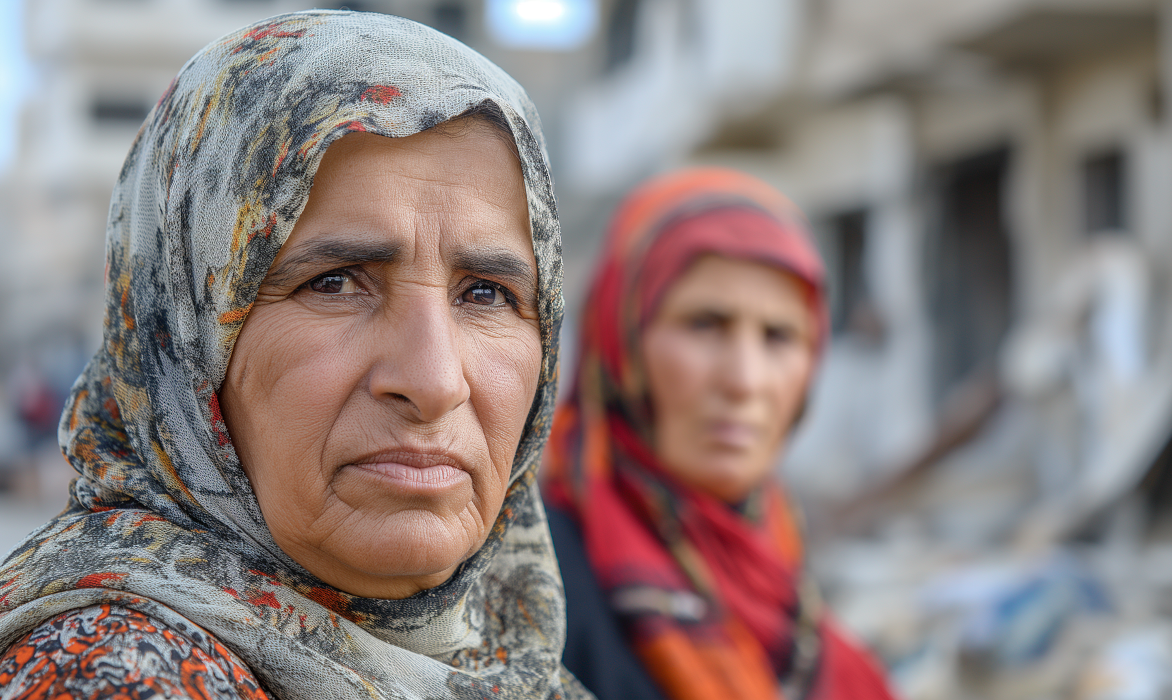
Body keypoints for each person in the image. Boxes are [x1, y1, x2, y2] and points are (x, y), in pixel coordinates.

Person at [0, 11, 590, 700]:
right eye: (333, 283)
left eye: (486, 294)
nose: (433, 382)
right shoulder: (118, 676)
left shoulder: (514, 655)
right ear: (184, 345)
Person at [543, 168, 899, 700]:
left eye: (778, 336)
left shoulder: (779, 566)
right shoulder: (534, 576)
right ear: (623, 343)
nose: (744, 381)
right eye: (705, 324)